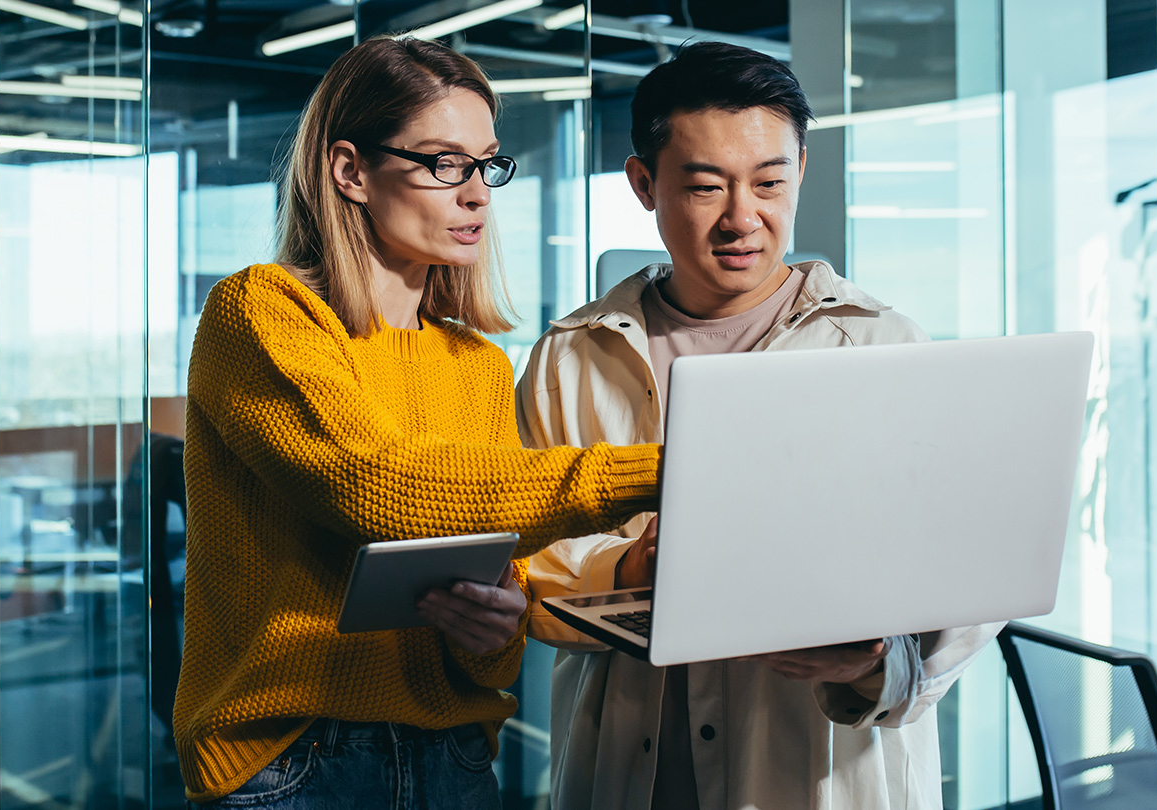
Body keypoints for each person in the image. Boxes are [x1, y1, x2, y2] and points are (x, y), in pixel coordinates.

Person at [175, 36, 662, 809]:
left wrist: (498, 625)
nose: (477, 193)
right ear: (350, 171)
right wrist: (660, 471)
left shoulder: (478, 364)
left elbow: (499, 633)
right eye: (444, 162)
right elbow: (377, 484)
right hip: (295, 761)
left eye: (487, 163)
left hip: (455, 761)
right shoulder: (262, 313)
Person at [519, 42, 1002, 810]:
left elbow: (970, 580)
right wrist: (634, 573)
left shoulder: (882, 346)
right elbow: (526, 562)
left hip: (817, 774)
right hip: (626, 774)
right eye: (706, 186)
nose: (744, 218)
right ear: (644, 184)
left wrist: (872, 663)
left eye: (771, 182)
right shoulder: (571, 359)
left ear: (802, 170)